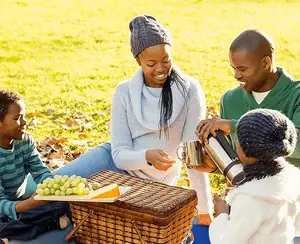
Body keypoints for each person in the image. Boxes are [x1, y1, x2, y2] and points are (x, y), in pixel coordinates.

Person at [52, 15, 213, 222]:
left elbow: (193, 156)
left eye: (166, 60)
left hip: (149, 187)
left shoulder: (190, 90)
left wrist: (205, 211)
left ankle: (55, 218)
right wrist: (146, 156)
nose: (160, 69)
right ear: (138, 60)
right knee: (50, 188)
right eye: (151, 63)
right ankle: (12, 214)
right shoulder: (125, 92)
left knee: (75, 209)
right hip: (112, 163)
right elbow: (119, 155)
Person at [165, 108, 300, 244]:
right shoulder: (290, 178)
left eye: (238, 141)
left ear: (246, 151)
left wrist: (222, 215)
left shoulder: (251, 197)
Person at [195, 29, 300, 169]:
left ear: (265, 63)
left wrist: (235, 126)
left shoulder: (296, 95)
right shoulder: (230, 100)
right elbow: (237, 160)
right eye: (234, 68)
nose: (236, 75)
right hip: (249, 188)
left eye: (242, 69)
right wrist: (215, 166)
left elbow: (297, 145)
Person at [0, 90, 70, 244]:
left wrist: (53, 189)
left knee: (64, 203)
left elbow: (39, 171)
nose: (24, 122)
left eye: (24, 116)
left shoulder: (25, 141)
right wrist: (30, 204)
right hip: (5, 207)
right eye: (17, 118)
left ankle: (12, 231)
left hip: (21, 201)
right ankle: (48, 225)